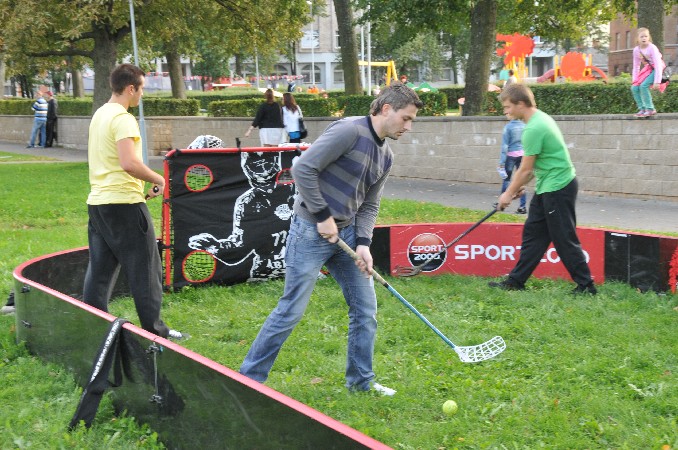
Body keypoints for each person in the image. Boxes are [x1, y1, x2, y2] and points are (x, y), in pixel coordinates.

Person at [240, 82, 423, 395]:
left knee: (365, 311)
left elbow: (370, 203)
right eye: (406, 118)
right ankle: (248, 381)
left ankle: (361, 383)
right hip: (310, 232)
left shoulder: (386, 156)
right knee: (290, 311)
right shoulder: (349, 131)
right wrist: (323, 216)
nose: (408, 126)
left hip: (347, 235)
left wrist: (364, 243)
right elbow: (303, 169)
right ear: (386, 109)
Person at [83, 63, 185, 340]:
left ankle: (94, 327)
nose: (142, 94)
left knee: (100, 270)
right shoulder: (123, 119)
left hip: (99, 203)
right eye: (141, 89)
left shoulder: (100, 114)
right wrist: (159, 179)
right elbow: (129, 163)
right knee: (146, 270)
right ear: (131, 88)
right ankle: (155, 332)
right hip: (124, 205)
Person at [489, 83, 596, 295]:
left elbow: (526, 169)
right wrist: (519, 187)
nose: (505, 111)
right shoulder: (539, 119)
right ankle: (516, 281)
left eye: (508, 106)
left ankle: (586, 286)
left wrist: (507, 194)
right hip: (547, 185)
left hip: (558, 188)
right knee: (534, 235)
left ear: (521, 104)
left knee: (563, 237)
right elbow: (538, 164)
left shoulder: (533, 128)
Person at [631, 27, 666, 118]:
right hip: (649, 68)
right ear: (637, 38)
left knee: (644, 85)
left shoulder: (652, 48)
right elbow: (636, 66)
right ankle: (642, 109)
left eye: (646, 36)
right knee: (634, 87)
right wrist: (635, 80)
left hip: (658, 68)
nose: (644, 38)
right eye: (642, 36)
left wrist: (657, 81)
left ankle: (650, 109)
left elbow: (658, 64)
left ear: (649, 37)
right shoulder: (636, 50)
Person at [497, 114, 527, 214]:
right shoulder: (524, 126)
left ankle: (502, 203)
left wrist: (502, 162)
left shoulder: (508, 127)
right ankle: (522, 207)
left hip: (511, 156)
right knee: (521, 181)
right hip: (522, 155)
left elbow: (505, 146)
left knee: (506, 179)